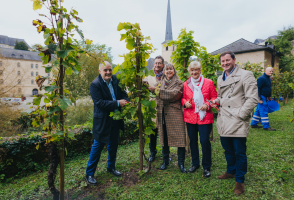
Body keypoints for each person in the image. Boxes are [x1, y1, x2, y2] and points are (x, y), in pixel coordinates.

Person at [214, 51, 258, 195]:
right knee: (228, 149)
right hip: (224, 119)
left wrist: (241, 114)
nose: (225, 63)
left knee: (239, 152)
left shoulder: (246, 75)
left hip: (238, 120)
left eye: (227, 60)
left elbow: (253, 98)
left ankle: (240, 180)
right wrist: (216, 101)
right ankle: (231, 171)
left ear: (234, 59)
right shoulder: (220, 78)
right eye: (222, 61)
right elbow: (222, 97)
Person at [85, 61, 130, 186]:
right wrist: (117, 103)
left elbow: (122, 93)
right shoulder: (95, 85)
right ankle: (89, 174)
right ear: (100, 71)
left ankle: (111, 167)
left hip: (115, 118)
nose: (108, 72)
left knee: (113, 145)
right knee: (97, 146)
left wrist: (126, 100)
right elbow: (99, 103)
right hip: (103, 121)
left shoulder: (115, 79)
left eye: (110, 70)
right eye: (105, 70)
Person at [181, 61, 217, 178]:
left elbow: (214, 98)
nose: (194, 72)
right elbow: (183, 98)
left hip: (204, 117)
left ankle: (206, 166)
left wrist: (207, 104)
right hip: (190, 117)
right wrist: (185, 102)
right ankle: (195, 163)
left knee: (205, 141)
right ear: (189, 71)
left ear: (200, 70)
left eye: (196, 70)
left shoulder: (208, 82)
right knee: (192, 141)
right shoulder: (186, 84)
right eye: (192, 70)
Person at [155, 64, 187, 173]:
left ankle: (181, 163)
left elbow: (175, 94)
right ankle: (165, 161)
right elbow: (154, 94)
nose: (169, 71)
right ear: (164, 71)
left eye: (171, 69)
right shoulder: (160, 83)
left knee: (180, 138)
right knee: (164, 137)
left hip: (175, 113)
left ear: (174, 71)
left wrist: (158, 92)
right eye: (167, 69)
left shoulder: (179, 82)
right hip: (162, 113)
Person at [144, 56, 171, 163]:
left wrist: (155, 89)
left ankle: (166, 154)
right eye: (156, 63)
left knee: (164, 133)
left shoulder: (167, 76)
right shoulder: (148, 76)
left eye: (160, 63)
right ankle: (152, 153)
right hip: (152, 108)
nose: (157, 65)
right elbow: (144, 89)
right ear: (154, 64)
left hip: (164, 108)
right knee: (152, 133)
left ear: (163, 65)